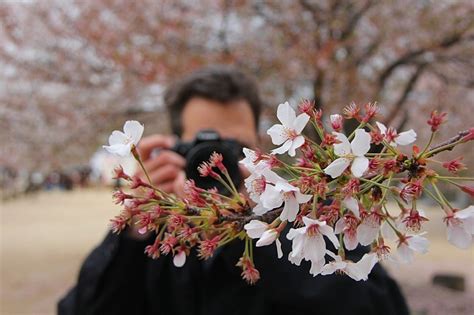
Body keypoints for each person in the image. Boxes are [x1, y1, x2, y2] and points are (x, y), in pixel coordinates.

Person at [58, 65, 409, 315]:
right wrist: (135, 230)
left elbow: (378, 305)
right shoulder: (157, 233)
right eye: (200, 145)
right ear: (176, 147)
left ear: (259, 146)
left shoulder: (304, 214)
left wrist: (251, 227)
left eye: (233, 146)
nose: (218, 160)